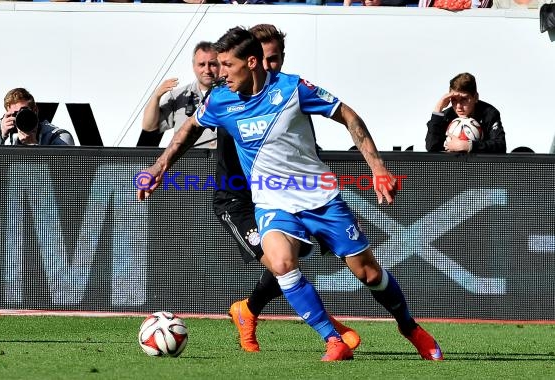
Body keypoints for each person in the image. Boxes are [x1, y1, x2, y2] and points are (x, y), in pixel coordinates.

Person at [137, 26, 443, 362]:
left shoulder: (292, 89)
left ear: (251, 62)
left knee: (367, 273)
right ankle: (333, 340)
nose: (220, 73)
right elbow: (190, 127)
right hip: (271, 200)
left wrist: (378, 167)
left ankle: (409, 327)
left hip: (319, 196)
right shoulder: (221, 100)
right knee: (281, 264)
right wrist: (159, 167)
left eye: (226, 64)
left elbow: (347, 114)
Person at [219, 24, 360, 354]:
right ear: (250, 60)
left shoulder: (285, 95)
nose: (271, 67)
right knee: (279, 262)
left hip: (287, 196)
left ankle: (247, 310)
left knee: (288, 262)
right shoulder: (231, 98)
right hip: (237, 199)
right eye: (265, 60)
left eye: (276, 59)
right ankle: (331, 330)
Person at [141, 41, 219, 149]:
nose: (207, 70)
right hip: (187, 164)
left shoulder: (233, 94)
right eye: (201, 64)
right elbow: (148, 127)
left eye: (212, 64)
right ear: (193, 66)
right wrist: (156, 96)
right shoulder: (179, 96)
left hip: (224, 163)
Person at [425, 72, 506, 153]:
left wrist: (469, 146)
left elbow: (501, 145)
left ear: (476, 97)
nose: (458, 106)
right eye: (454, 100)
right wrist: (438, 108)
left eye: (464, 99)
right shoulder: (446, 115)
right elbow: (431, 147)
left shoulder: (489, 113)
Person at [0, 88, 75, 146]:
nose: (21, 118)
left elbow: (62, 171)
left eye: (24, 113)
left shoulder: (59, 137)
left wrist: (32, 145)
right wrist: (1, 136)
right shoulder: (6, 137)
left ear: (35, 111)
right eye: (16, 114)